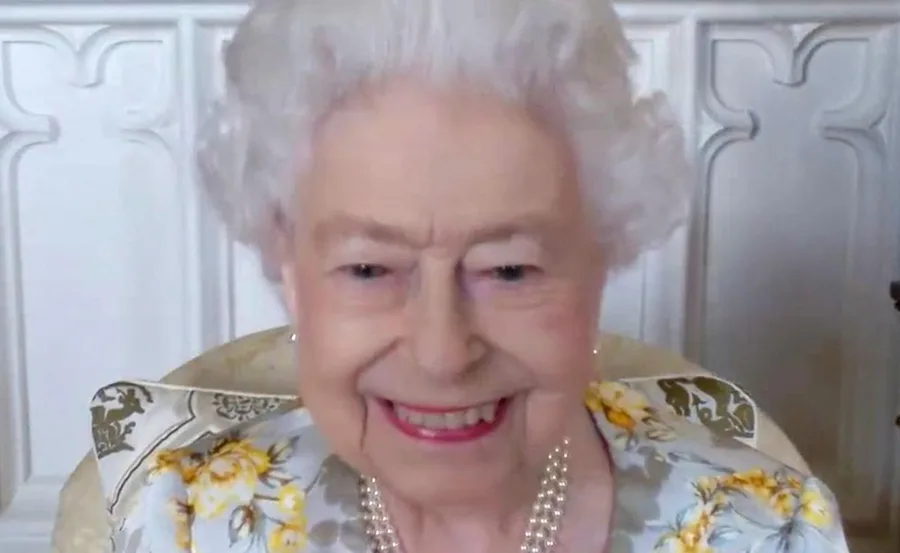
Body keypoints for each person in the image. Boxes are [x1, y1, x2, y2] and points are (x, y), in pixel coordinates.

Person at [122, 0, 850, 551]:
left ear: (600, 262)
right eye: (369, 268)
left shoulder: (762, 530)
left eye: (508, 269)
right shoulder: (189, 522)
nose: (442, 354)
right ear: (290, 271)